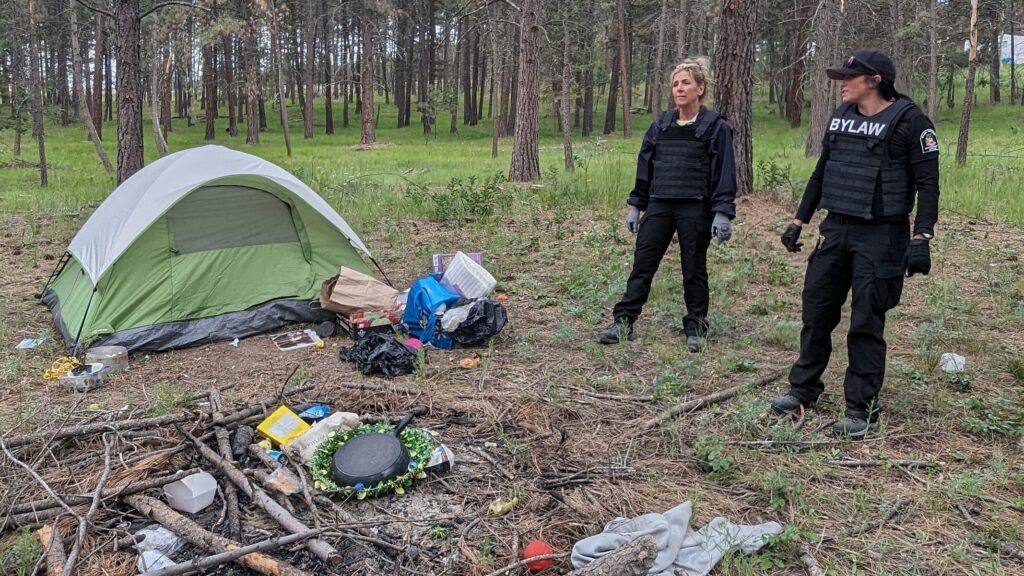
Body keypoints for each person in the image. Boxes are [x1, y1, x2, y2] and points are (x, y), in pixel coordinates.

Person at [772, 50, 940, 438]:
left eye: (851, 77)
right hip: (837, 229)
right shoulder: (840, 117)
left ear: (876, 79)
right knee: (816, 309)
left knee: (866, 320)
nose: (842, 83)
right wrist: (799, 220)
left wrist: (922, 236)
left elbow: (928, 184)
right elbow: (821, 173)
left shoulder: (911, 122)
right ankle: (803, 390)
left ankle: (861, 410)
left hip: (883, 235)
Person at [598, 57, 737, 352]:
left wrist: (722, 213)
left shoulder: (716, 127)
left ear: (701, 88)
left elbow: (725, 171)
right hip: (660, 204)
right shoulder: (660, 125)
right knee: (643, 263)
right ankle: (624, 322)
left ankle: (696, 326)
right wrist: (637, 205)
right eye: (675, 83)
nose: (679, 88)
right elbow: (645, 166)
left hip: (695, 206)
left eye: (686, 82)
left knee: (694, 267)